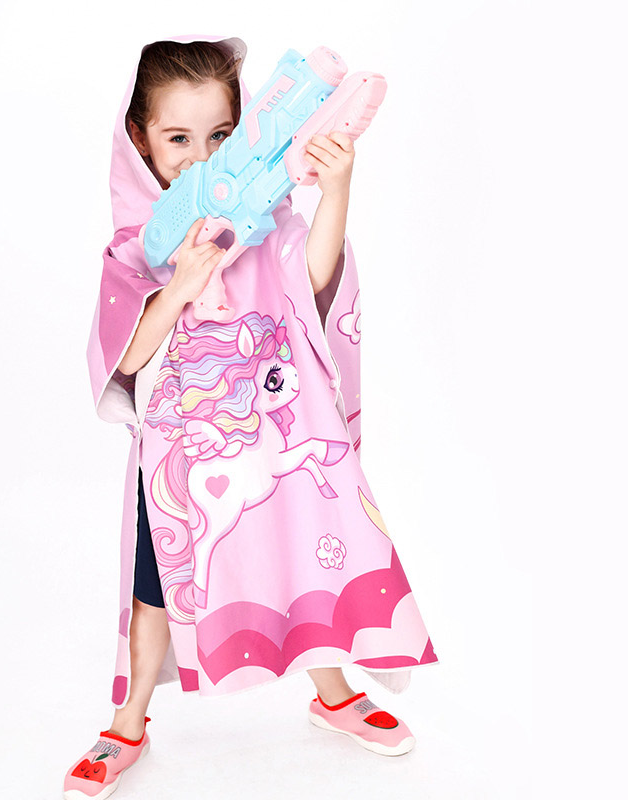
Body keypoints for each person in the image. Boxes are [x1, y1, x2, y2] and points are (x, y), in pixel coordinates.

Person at [63, 34, 438, 799]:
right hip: (180, 459)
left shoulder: (265, 223)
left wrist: (334, 190)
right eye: (178, 138)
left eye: (220, 136)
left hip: (269, 431)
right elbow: (124, 357)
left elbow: (315, 281)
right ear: (140, 138)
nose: (200, 158)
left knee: (301, 553)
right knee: (154, 588)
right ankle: (128, 721)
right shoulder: (139, 246)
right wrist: (180, 283)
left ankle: (332, 692)